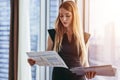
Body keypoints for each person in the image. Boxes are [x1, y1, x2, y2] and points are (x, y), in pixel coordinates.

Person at [28, 1, 96, 80]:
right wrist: (35, 61)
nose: (64, 19)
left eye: (68, 16)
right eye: (61, 16)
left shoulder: (84, 37)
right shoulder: (53, 34)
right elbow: (46, 57)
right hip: (59, 76)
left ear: (75, 16)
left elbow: (84, 62)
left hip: (78, 77)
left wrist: (89, 73)